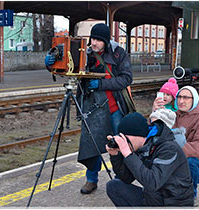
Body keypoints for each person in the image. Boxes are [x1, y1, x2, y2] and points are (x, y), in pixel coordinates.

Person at [45, 23, 133, 194]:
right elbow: (67, 66)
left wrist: (101, 84)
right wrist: (50, 63)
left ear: (106, 41)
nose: (94, 43)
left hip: (115, 107)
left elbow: (126, 79)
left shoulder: (118, 53)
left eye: (99, 40)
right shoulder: (84, 52)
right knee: (91, 145)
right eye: (93, 39)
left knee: (119, 145)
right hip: (92, 108)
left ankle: (121, 179)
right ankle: (91, 180)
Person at [106, 112, 194, 206]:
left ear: (138, 134)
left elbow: (153, 183)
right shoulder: (140, 147)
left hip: (174, 202)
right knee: (114, 186)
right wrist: (115, 155)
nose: (124, 142)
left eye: (126, 138)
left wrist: (128, 154)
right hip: (154, 198)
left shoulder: (169, 149)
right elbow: (127, 178)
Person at [173, 86, 199, 198]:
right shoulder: (173, 116)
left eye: (186, 98)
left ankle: (189, 197)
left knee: (189, 163)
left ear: (194, 99)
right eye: (179, 97)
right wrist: (155, 112)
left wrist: (175, 149)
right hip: (173, 158)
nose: (181, 101)